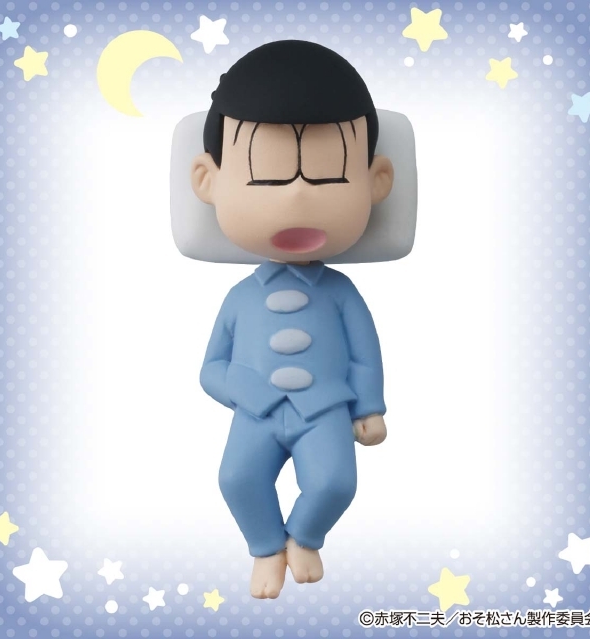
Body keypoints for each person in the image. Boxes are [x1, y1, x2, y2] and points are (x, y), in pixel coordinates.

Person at [189, 40, 394, 599]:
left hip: (324, 409)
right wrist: (244, 391)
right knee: (236, 479)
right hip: (256, 413)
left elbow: (365, 352)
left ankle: (304, 537)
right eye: (267, 174)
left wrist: (370, 406)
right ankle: (264, 547)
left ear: (377, 180)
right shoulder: (240, 296)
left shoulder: (341, 292)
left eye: (327, 175)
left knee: (335, 481)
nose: (299, 196)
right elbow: (210, 367)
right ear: (207, 180)